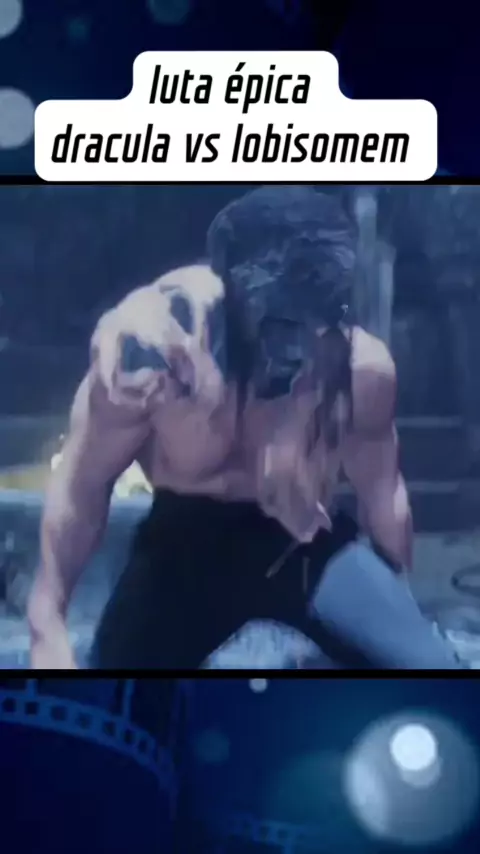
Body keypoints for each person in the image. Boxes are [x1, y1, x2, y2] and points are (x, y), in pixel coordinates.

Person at [27, 186, 461, 669]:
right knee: (109, 693)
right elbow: (83, 483)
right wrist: (47, 621)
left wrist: (398, 603)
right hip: (182, 550)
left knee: (433, 671)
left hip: (306, 544)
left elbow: (383, 492)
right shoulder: (155, 357)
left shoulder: (358, 368)